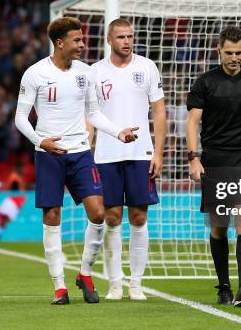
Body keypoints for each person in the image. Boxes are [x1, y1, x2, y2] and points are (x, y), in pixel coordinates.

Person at [15, 16, 138, 305]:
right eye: (77, 40)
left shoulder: (86, 73)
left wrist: (117, 131)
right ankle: (59, 287)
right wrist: (39, 141)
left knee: (99, 214)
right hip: (49, 154)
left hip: (81, 153)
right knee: (52, 217)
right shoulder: (35, 74)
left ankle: (84, 273)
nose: (82, 45)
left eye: (81, 39)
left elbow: (93, 113)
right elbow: (20, 117)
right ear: (60, 43)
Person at [186, 26, 241, 307]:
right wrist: (194, 157)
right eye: (229, 52)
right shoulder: (205, 82)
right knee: (218, 227)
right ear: (219, 51)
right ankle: (224, 286)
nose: (234, 57)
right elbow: (192, 122)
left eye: (239, 52)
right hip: (215, 161)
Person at [92, 18, 167, 301]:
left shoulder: (146, 67)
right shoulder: (96, 72)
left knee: (138, 217)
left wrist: (158, 152)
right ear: (109, 40)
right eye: (121, 37)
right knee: (111, 218)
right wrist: (88, 151)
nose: (127, 41)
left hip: (140, 153)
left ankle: (136, 284)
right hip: (106, 155)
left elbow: (159, 111)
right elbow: (91, 115)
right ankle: (115, 283)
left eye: (130, 36)